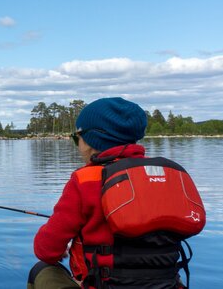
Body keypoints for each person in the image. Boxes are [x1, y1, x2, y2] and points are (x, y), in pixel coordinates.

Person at [27, 97, 190, 289]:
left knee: (41, 269)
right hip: (167, 285)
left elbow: (45, 250)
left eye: (76, 137)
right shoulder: (169, 175)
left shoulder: (85, 180)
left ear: (91, 140)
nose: (77, 145)